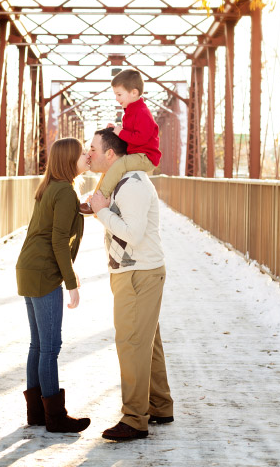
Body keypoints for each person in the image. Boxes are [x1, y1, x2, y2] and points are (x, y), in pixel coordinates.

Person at [87, 128, 174, 441]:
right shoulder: (123, 182)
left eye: (93, 148)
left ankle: (135, 419)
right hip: (136, 271)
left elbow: (132, 234)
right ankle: (159, 404)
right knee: (147, 341)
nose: (89, 154)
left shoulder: (133, 184)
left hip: (138, 273)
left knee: (132, 343)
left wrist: (101, 211)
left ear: (111, 154)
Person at [16, 137, 91, 433]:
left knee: (38, 344)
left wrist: (82, 209)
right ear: (68, 160)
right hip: (44, 272)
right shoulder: (64, 192)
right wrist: (71, 283)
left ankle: (37, 413)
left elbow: (55, 227)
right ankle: (55, 417)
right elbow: (59, 241)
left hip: (28, 268)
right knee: (50, 347)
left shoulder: (52, 187)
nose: (86, 155)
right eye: (81, 153)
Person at [79, 69, 161, 215]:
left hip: (145, 157)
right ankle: (96, 200)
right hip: (137, 154)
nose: (116, 98)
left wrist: (120, 132)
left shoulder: (142, 112)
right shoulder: (131, 110)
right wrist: (117, 129)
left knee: (119, 164)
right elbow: (132, 132)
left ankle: (100, 199)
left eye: (119, 94)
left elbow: (141, 138)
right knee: (111, 169)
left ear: (134, 92)